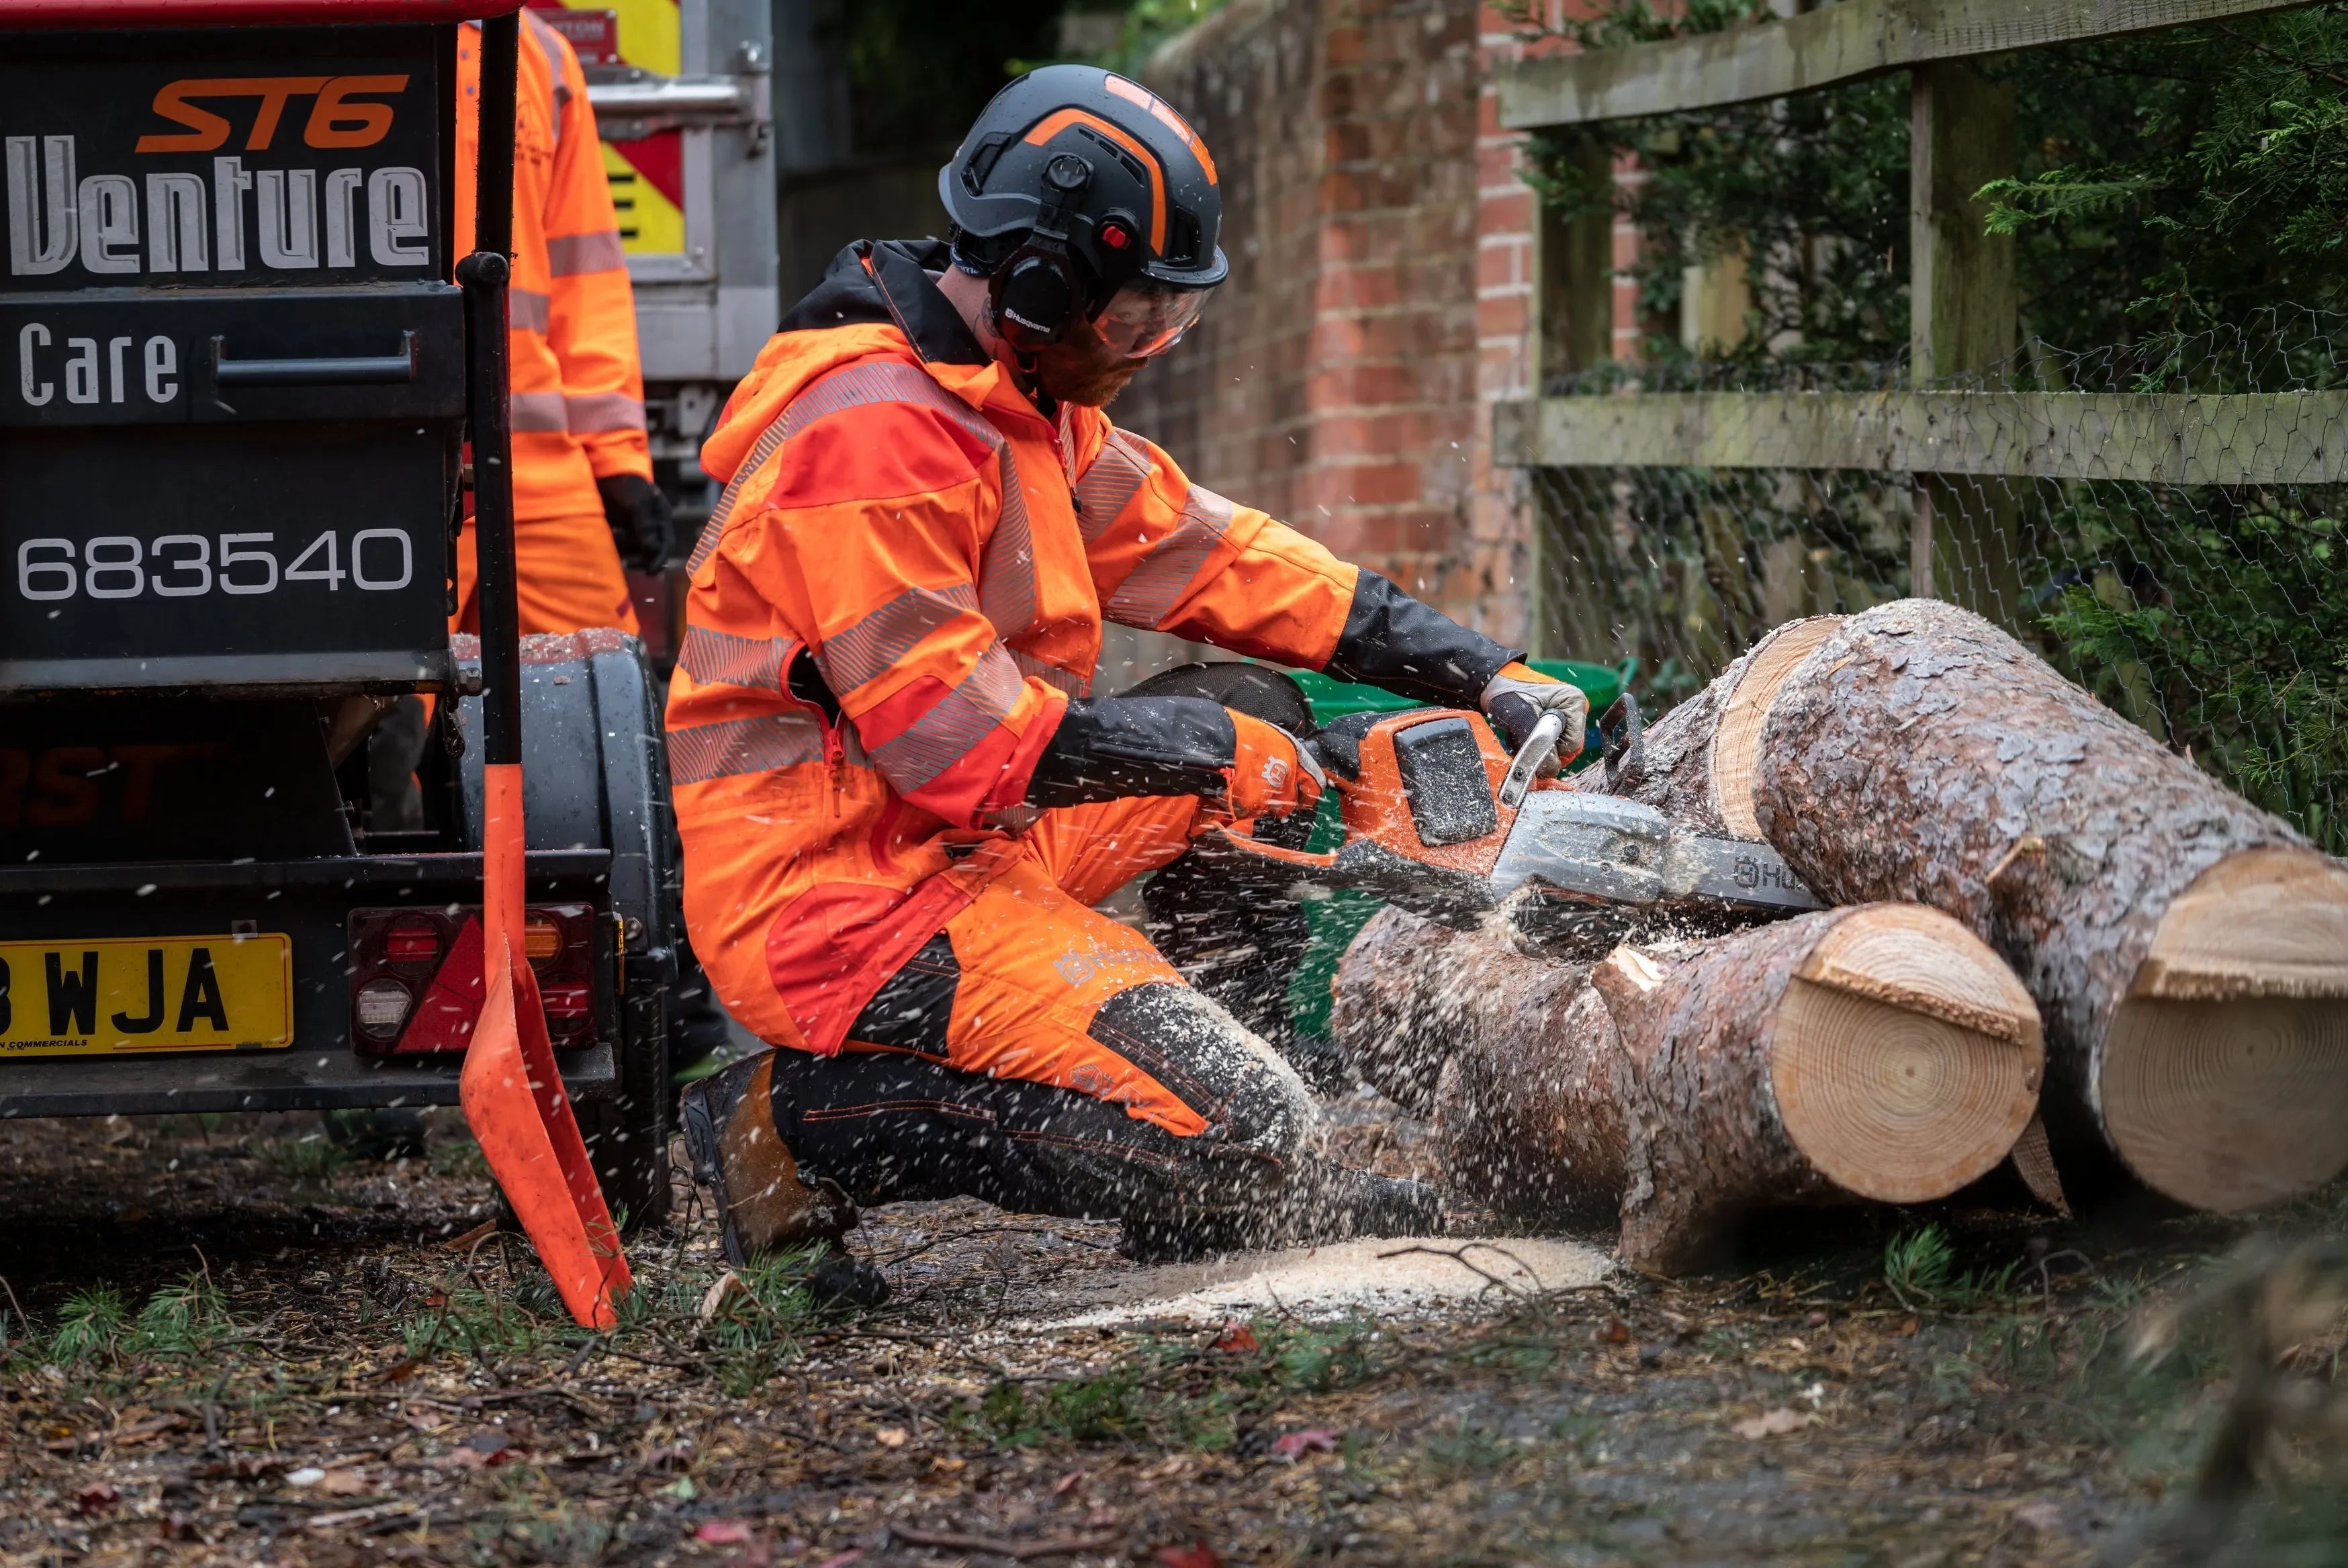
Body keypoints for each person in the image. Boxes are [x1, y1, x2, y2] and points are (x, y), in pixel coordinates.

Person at [671, 65, 1588, 1270]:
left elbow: (1227, 560)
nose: (1151, 346)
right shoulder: (870, 442)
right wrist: (1213, 758)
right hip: (841, 904)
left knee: (1255, 710)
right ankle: (782, 1121)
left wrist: (1484, 672)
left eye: (1171, 316)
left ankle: (1206, 1134)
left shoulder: (1017, 404)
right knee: (1244, 1109)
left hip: (961, 843)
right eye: (1135, 317)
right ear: (1044, 282)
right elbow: (955, 741)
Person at [449, 7, 671, 639]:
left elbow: (585, 282)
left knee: (605, 700)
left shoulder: (542, 58)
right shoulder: (313, 36)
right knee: (379, 729)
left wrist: (617, 460)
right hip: (368, 466)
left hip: (529, 471)